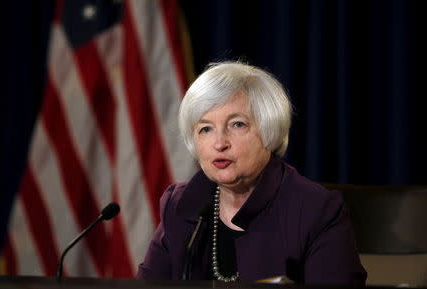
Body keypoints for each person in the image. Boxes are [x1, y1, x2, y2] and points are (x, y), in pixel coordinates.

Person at [137, 61, 367, 285]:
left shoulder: (316, 209)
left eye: (237, 124)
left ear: (269, 130)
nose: (219, 143)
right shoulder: (180, 204)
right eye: (205, 129)